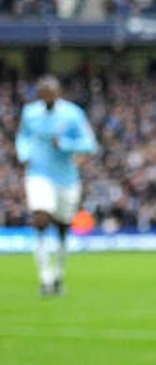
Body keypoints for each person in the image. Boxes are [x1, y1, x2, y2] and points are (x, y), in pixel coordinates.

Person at [15, 76, 97, 298]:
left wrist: (65, 145)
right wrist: (24, 153)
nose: (46, 97)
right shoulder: (30, 113)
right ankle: (44, 278)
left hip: (66, 178)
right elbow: (23, 136)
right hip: (38, 175)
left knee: (62, 228)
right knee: (40, 218)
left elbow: (90, 144)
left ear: (58, 93)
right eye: (42, 93)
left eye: (50, 92)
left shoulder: (72, 114)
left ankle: (58, 275)